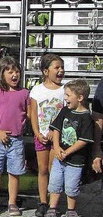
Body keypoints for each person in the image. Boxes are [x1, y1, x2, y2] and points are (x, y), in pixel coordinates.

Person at [0, 56, 29, 216]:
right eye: (10, 72)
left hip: (16, 140)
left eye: (17, 71)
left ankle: (12, 203)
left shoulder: (24, 93)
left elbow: (30, 115)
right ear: (1, 74)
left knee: (14, 172)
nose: (14, 75)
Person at [45, 80, 95, 217]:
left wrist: (67, 152)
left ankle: (71, 210)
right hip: (59, 157)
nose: (65, 98)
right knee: (54, 183)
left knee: (71, 186)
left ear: (80, 98)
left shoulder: (86, 117)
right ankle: (52, 208)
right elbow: (56, 129)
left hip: (75, 160)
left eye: (68, 95)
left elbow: (83, 140)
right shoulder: (65, 111)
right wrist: (56, 147)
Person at [28, 54, 64, 217]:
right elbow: (33, 114)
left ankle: (53, 203)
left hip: (58, 138)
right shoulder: (37, 90)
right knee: (42, 169)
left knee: (54, 169)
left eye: (62, 67)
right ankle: (42, 201)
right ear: (45, 71)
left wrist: (54, 132)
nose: (60, 71)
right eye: (56, 67)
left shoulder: (65, 90)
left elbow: (66, 115)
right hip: (41, 136)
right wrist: (37, 132)